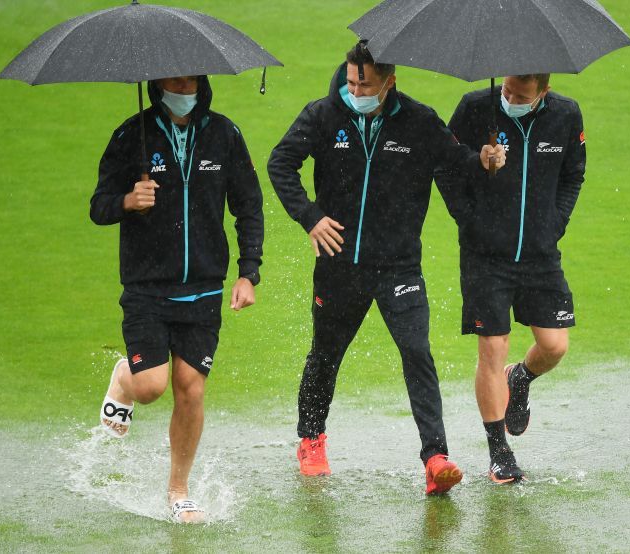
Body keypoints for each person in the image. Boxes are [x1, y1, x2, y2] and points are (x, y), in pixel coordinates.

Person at [267, 42, 505, 495]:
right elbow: (281, 163)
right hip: (339, 266)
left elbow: (461, 164)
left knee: (417, 352)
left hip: (399, 268)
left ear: (389, 82)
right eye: (351, 82)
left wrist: (486, 162)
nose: (354, 91)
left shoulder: (419, 120)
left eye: (365, 85)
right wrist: (310, 217)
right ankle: (311, 439)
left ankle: (435, 458)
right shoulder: (323, 114)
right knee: (325, 354)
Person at [90, 75, 264, 521]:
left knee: (190, 389)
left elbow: (247, 204)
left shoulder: (225, 135)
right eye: (174, 79)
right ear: (158, 82)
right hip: (147, 287)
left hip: (204, 288)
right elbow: (98, 205)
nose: (183, 87)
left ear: (201, 82)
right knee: (152, 387)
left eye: (190, 79)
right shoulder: (132, 135)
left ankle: (178, 490)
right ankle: (125, 378)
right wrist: (128, 200)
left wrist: (249, 273)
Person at [447, 73, 586, 483]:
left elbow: (573, 174)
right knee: (492, 347)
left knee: (555, 345)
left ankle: (520, 377)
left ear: (542, 91)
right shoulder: (476, 108)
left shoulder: (565, 114)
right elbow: (445, 167)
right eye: (507, 90)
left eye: (521, 96)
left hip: (540, 255)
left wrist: (555, 224)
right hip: (485, 256)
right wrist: (476, 173)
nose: (510, 98)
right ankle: (498, 452)